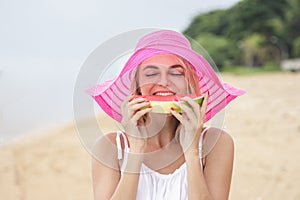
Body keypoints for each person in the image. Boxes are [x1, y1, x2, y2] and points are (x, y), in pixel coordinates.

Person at [86, 29, 245, 200]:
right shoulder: (109, 147)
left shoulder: (216, 143)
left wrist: (191, 151)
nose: (163, 82)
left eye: (176, 73)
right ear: (137, 85)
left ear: (189, 83)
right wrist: (136, 149)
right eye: (151, 73)